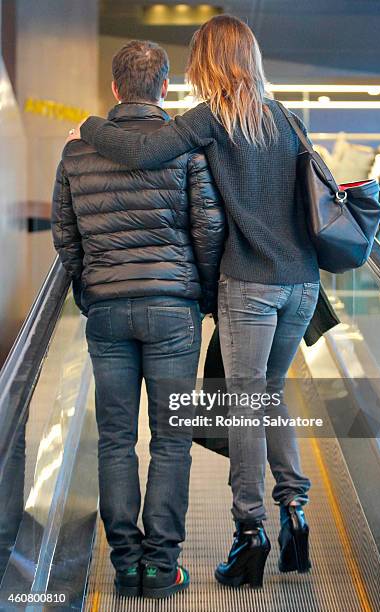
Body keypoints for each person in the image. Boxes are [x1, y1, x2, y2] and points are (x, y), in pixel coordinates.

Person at [68, 15, 321, 589]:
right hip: (303, 285)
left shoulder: (211, 120)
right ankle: (295, 509)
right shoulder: (287, 120)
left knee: (244, 405)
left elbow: (143, 152)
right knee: (270, 396)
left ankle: (250, 534)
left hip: (250, 285)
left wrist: (85, 126)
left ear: (208, 62)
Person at [52, 39, 225, 599]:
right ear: (166, 88)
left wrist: (90, 286)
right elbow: (208, 230)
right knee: (171, 440)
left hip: (106, 309)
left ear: (114, 89)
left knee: (115, 440)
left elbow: (66, 235)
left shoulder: (77, 152)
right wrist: (197, 294)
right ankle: (161, 565)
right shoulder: (186, 151)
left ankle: (125, 563)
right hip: (173, 308)